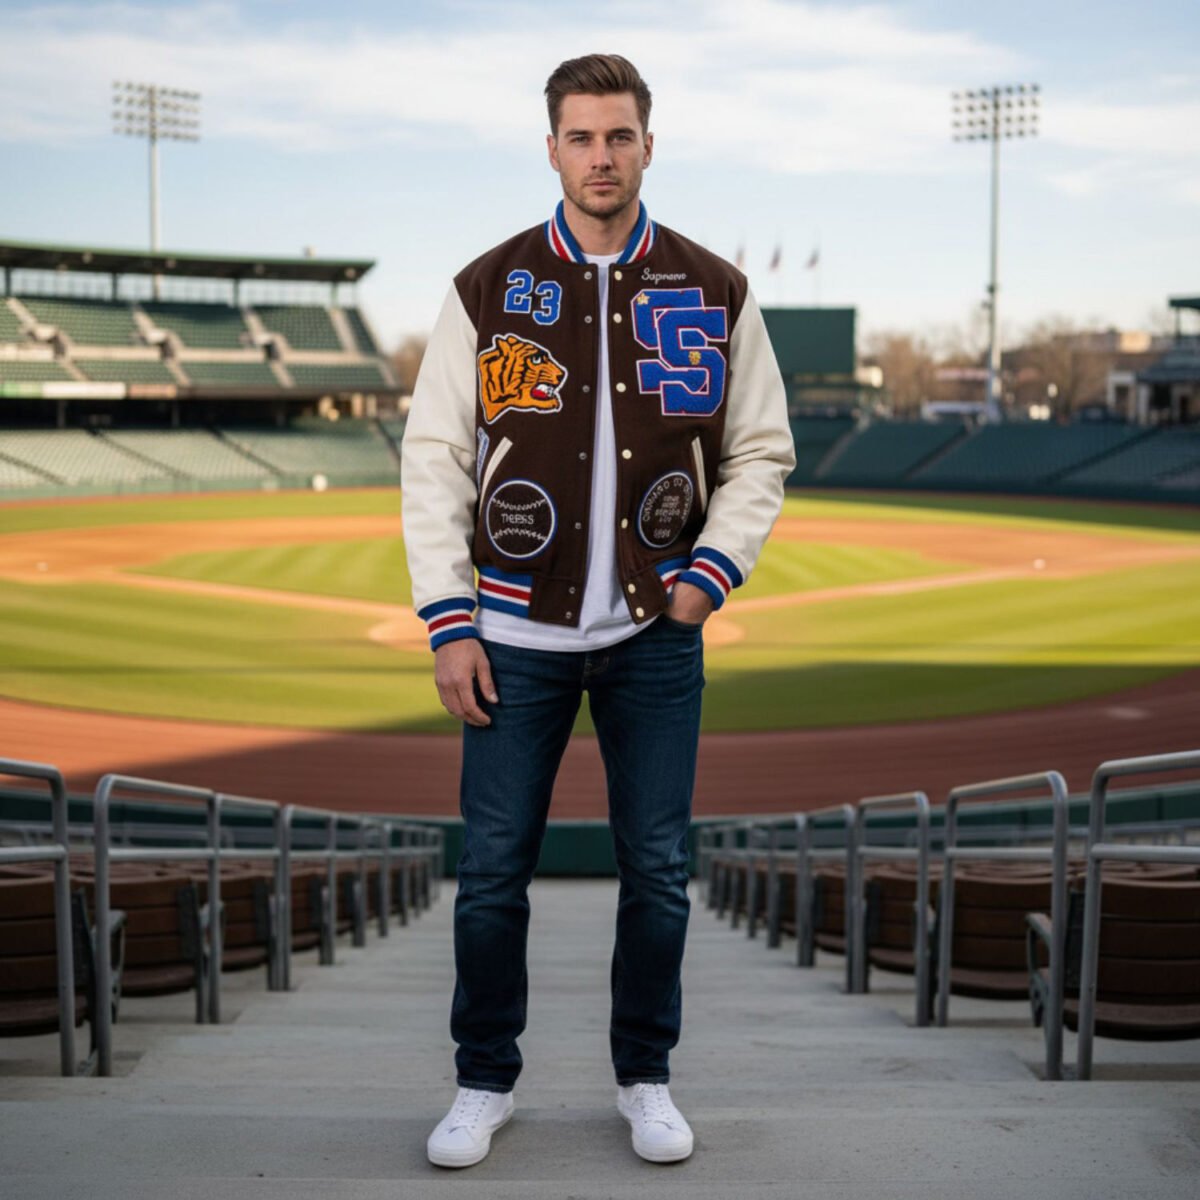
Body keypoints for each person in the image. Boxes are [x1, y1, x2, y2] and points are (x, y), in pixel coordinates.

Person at [401, 53, 794, 1169]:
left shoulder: (715, 287)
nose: (602, 156)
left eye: (619, 135)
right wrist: (449, 618)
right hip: (513, 639)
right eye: (581, 137)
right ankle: (484, 1081)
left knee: (659, 873)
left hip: (652, 637)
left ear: (649, 144)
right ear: (553, 148)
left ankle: (645, 1076)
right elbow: (434, 459)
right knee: (488, 878)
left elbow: (760, 449)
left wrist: (710, 571)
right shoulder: (487, 284)